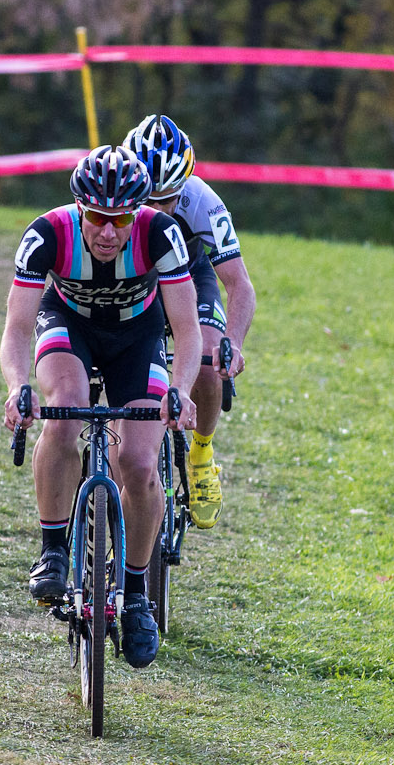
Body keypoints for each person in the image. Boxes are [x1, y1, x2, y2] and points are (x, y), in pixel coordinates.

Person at [0, 144, 201, 668]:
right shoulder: (47, 234)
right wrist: (17, 385)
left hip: (138, 338)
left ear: (136, 214)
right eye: (97, 218)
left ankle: (135, 594)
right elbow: (17, 327)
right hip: (69, 327)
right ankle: (52, 551)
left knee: (136, 462)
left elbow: (186, 328)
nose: (108, 233)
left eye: (119, 220)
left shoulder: (161, 234)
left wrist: (180, 389)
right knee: (63, 410)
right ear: (79, 210)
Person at [122, 114, 255, 531]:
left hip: (191, 276)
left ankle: (200, 455)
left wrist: (233, 341)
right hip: (134, 277)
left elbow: (239, 284)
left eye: (168, 199)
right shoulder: (115, 188)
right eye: (149, 200)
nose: (157, 209)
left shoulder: (202, 200)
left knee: (207, 359)